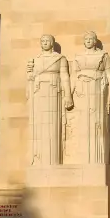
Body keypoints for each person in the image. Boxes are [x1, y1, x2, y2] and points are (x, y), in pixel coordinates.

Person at [26, 34, 72, 166]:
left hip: (53, 92)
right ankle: (39, 159)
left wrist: (68, 95)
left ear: (52, 43)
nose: (44, 43)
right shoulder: (35, 59)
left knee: (53, 126)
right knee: (39, 126)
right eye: (42, 41)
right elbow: (31, 78)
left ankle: (53, 160)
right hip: (39, 93)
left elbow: (64, 76)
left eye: (47, 41)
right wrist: (29, 74)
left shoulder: (59, 58)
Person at [71, 31, 110, 164]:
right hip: (82, 91)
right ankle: (83, 157)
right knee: (83, 122)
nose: (88, 40)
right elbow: (73, 76)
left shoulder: (103, 56)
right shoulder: (78, 57)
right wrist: (68, 95)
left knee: (98, 122)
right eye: (86, 39)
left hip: (97, 90)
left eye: (91, 38)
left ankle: (98, 159)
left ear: (95, 41)